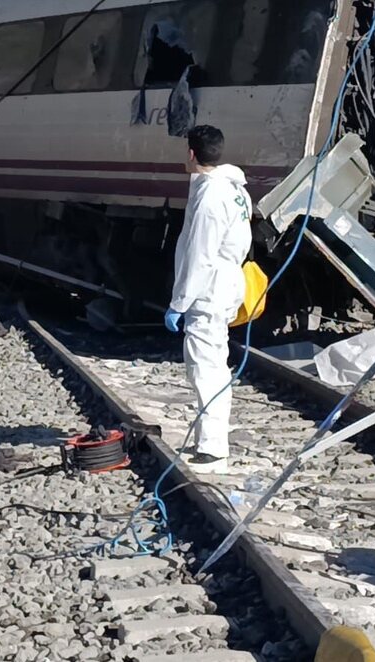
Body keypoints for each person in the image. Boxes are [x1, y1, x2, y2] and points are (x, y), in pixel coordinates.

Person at [165, 125, 253, 474]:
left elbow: (199, 254)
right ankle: (212, 442)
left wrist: (179, 303)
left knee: (205, 367)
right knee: (214, 361)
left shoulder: (209, 197)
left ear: (190, 153)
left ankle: (212, 449)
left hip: (209, 288)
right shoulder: (234, 189)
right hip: (227, 280)